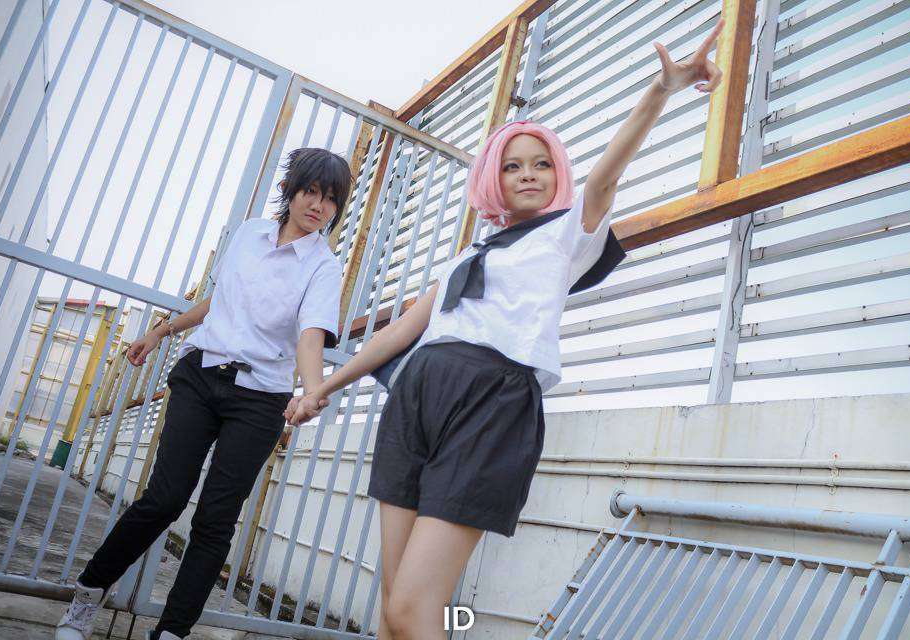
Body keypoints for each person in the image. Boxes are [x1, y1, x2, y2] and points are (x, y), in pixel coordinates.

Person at [286, 22, 725, 639]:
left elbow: (607, 175)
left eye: (542, 164)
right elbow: (398, 334)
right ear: (494, 176)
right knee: (392, 606)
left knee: (414, 608)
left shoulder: (567, 233)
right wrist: (321, 390)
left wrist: (661, 90)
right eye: (513, 165)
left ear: (558, 173)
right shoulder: (469, 255)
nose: (528, 174)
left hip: (491, 401)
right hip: (416, 399)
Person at [55, 148, 350, 640]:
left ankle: (172, 632)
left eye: (332, 199)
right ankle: (87, 595)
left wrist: (313, 389)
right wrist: (161, 331)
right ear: (291, 191)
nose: (320, 205)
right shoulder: (249, 234)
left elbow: (310, 334)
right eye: (312, 192)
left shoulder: (323, 266)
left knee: (216, 519)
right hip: (201, 375)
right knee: (164, 498)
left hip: (260, 397)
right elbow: (218, 301)